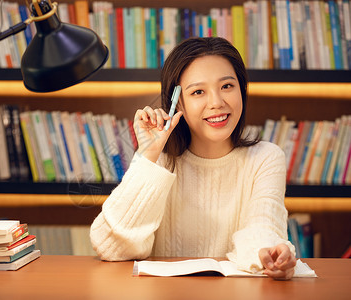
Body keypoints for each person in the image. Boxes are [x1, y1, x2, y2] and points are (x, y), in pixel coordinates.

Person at [90, 37, 297, 280]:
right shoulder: (159, 163)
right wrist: (148, 155)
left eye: (227, 86)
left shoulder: (265, 158)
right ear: (177, 103)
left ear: (242, 89)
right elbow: (110, 247)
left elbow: (263, 227)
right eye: (198, 91)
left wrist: (269, 254)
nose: (216, 103)